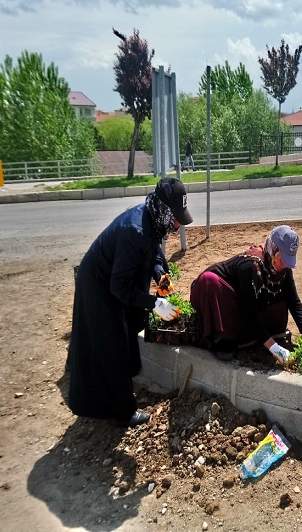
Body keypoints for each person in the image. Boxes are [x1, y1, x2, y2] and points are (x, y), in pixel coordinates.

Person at [65, 177, 193, 427]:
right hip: (98, 286)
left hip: (113, 280)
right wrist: (155, 303)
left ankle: (125, 380)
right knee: (113, 343)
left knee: (132, 322)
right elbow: (119, 287)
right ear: (165, 210)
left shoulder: (153, 219)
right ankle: (123, 412)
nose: (178, 225)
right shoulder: (136, 231)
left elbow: (155, 254)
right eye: (176, 217)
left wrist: (162, 279)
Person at [190, 225, 302, 364]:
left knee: (277, 297)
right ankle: (221, 341)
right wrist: (274, 348)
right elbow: (249, 311)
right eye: (281, 258)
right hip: (221, 298)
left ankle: (254, 337)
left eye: (288, 259)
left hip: (247, 305)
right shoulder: (250, 266)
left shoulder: (283, 268)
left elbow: (293, 300)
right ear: (272, 250)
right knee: (209, 281)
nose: (284, 264)